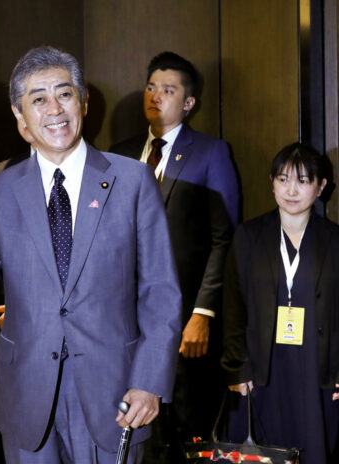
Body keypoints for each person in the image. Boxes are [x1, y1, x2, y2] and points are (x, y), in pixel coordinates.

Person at [0, 46, 181, 464]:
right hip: (27, 393)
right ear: (21, 119)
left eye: (64, 94)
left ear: (84, 102)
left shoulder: (132, 181)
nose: (54, 109)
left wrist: (150, 381)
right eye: (38, 99)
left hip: (116, 392)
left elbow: (160, 290)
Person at [110, 51, 240, 460]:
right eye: (151, 87)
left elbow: (225, 238)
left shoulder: (211, 152)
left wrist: (203, 313)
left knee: (185, 424)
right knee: (134, 426)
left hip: (185, 318)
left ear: (188, 103)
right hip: (124, 317)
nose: (155, 96)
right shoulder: (118, 153)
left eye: (168, 90)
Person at [221, 143, 339, 463]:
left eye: (303, 180)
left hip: (318, 371)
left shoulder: (335, 241)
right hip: (261, 372)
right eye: (283, 178)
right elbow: (233, 308)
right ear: (272, 181)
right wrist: (236, 369)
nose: (291, 190)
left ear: (320, 187)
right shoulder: (248, 236)